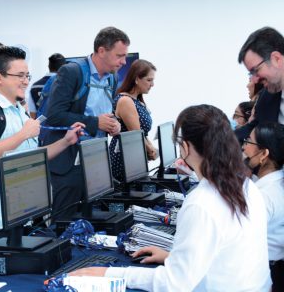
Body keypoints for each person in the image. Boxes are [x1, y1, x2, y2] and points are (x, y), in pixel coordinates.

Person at [71, 104, 271, 292]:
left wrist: (111, 273)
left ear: (186, 147)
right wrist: (172, 258)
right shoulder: (246, 186)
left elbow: (173, 284)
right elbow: (226, 254)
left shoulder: (201, 204)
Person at [0, 46, 83, 248]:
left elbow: (32, 157)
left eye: (27, 75)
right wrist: (23, 134)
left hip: (20, 214)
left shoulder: (19, 111)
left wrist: (65, 141)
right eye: (19, 75)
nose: (26, 81)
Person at [44, 27, 130, 219]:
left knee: (89, 219)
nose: (124, 62)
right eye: (119, 56)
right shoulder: (72, 72)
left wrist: (114, 123)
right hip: (69, 162)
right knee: (64, 221)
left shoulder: (113, 77)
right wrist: (95, 123)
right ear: (101, 51)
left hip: (95, 160)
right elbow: (55, 115)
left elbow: (103, 112)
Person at [242, 122, 284, 291]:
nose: (244, 147)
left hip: (265, 272)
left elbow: (238, 239)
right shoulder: (276, 181)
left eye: (248, 141)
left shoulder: (263, 196)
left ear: (264, 154)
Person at [109, 59, 158, 182]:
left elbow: (142, 133)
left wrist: (151, 148)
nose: (152, 84)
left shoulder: (137, 100)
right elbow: (137, 134)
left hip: (133, 156)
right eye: (149, 80)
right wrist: (151, 150)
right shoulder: (126, 101)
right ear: (136, 79)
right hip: (124, 159)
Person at [236, 26, 284, 142]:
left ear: (276, 59)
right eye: (250, 73)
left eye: (255, 70)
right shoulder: (266, 98)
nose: (254, 80)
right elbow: (252, 130)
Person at [28, 53, 66, 118]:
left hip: (41, 123)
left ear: (49, 66)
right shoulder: (66, 84)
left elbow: (33, 113)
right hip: (61, 123)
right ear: (64, 67)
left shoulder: (35, 86)